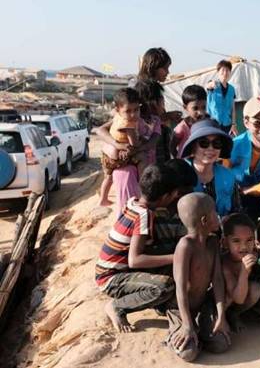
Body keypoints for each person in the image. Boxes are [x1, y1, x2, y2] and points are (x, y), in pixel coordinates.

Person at [95, 164, 180, 333]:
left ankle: (157, 303)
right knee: (164, 287)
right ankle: (117, 306)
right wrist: (175, 257)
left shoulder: (134, 202)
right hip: (111, 278)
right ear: (165, 197)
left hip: (112, 270)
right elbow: (135, 260)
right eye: (175, 193)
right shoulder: (144, 215)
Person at [165, 193, 231, 362]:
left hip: (202, 304)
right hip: (179, 308)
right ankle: (183, 331)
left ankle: (199, 332)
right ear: (204, 221)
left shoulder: (212, 242)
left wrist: (221, 315)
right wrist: (187, 325)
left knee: (221, 344)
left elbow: (217, 280)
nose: (218, 216)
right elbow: (180, 289)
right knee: (189, 353)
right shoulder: (185, 246)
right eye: (214, 212)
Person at [98, 88, 151, 207]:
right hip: (119, 157)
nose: (133, 114)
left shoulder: (118, 117)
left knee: (108, 177)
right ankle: (143, 188)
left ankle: (103, 199)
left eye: (136, 110)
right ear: (118, 110)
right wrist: (140, 142)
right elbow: (134, 145)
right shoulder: (129, 124)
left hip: (108, 157)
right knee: (142, 158)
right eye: (128, 111)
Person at [180, 119, 240, 217]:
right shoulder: (179, 174)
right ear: (193, 147)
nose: (211, 148)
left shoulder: (228, 177)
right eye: (204, 143)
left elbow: (237, 212)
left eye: (216, 143)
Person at [220, 213, 260, 332]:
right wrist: (244, 271)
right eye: (236, 241)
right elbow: (238, 299)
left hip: (240, 298)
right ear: (225, 242)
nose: (244, 247)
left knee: (255, 289)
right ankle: (222, 318)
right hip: (223, 302)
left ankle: (234, 314)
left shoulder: (256, 255)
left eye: (249, 240)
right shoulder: (225, 264)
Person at [170, 85, 208, 158]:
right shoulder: (182, 127)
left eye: (204, 107)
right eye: (195, 108)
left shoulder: (208, 123)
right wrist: (179, 161)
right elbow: (172, 146)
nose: (200, 112)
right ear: (185, 107)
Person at [206, 60, 237, 136]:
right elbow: (207, 86)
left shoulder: (231, 89)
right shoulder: (214, 85)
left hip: (227, 124)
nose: (225, 73)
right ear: (218, 72)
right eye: (223, 70)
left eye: (227, 70)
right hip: (213, 124)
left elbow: (233, 108)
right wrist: (210, 84)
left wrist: (233, 124)